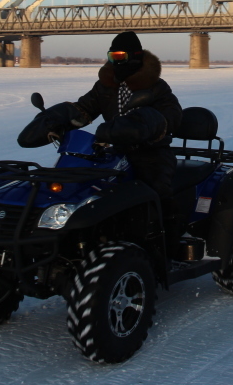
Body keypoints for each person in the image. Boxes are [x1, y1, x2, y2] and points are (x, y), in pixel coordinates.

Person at [69, 31, 184, 245]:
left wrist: (152, 123)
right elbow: (85, 107)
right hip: (113, 151)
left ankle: (169, 243)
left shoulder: (156, 87)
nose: (116, 62)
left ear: (135, 57)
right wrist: (62, 118)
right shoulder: (105, 86)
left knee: (158, 190)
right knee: (81, 185)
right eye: (112, 57)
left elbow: (173, 114)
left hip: (151, 152)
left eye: (120, 57)